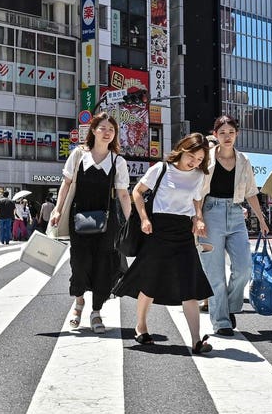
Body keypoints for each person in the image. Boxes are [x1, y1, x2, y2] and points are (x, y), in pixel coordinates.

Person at [116, 133, 215, 354]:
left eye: (200, 159)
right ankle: (141, 326)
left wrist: (198, 218)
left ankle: (196, 340)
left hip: (183, 231)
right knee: (150, 283)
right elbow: (137, 192)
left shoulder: (199, 175)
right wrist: (143, 218)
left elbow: (197, 199)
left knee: (189, 285)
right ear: (182, 149)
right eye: (192, 156)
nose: (195, 162)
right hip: (158, 229)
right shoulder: (161, 169)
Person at [49, 112, 132, 334]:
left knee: (104, 266)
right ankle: (79, 303)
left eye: (111, 130)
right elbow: (66, 185)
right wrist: (57, 210)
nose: (107, 133)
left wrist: (132, 221)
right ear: (93, 130)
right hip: (79, 218)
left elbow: (124, 195)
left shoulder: (118, 161)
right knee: (79, 263)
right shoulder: (78, 155)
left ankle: (96, 312)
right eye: (103, 128)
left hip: (107, 222)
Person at [198, 115, 270, 337]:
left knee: (244, 267)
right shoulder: (206, 158)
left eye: (231, 132)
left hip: (237, 214)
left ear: (237, 134)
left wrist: (261, 218)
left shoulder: (244, 160)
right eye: (222, 133)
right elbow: (197, 191)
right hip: (210, 213)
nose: (227, 137)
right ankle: (221, 321)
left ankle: (227, 307)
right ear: (215, 135)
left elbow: (251, 192)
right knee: (215, 273)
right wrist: (198, 217)